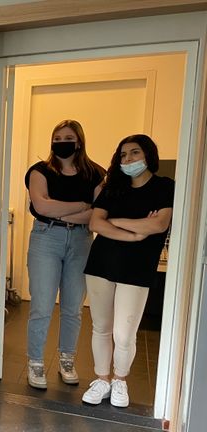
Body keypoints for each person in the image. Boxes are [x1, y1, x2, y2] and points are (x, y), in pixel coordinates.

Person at [81, 134, 173, 408]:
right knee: (101, 327)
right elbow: (96, 224)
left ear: (148, 155)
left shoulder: (164, 186)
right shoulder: (113, 187)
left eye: (134, 153)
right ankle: (102, 379)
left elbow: (158, 225)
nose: (128, 159)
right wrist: (133, 233)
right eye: (123, 155)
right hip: (101, 264)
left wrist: (116, 221)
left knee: (124, 333)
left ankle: (120, 380)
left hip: (137, 269)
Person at [24, 119, 105, 389]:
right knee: (42, 306)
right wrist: (81, 206)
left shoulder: (95, 173)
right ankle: (35, 362)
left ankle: (67, 359)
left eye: (67, 137)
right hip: (47, 237)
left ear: (79, 141)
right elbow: (42, 207)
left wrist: (64, 209)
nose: (61, 142)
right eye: (57, 138)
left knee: (73, 307)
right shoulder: (39, 170)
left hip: (82, 240)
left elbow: (98, 212)